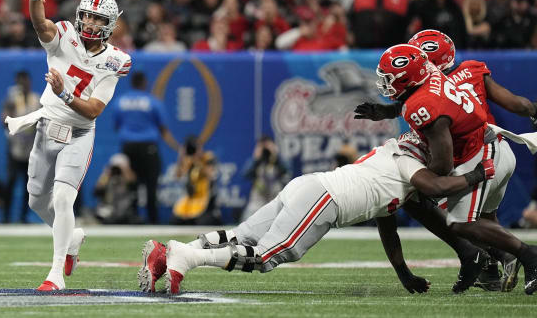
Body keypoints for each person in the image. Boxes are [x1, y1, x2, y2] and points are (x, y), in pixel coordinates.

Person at [138, 131, 495, 294]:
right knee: (267, 256)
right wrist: (477, 175)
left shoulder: (393, 157)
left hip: (309, 185)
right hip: (325, 199)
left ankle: (164, 254)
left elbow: (388, 226)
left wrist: (403, 272)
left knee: (241, 235)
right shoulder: (408, 163)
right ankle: (186, 257)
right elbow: (435, 187)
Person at [356, 29, 537, 291]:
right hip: (490, 145)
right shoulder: (457, 76)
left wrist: (420, 174)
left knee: (456, 219)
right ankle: (490, 268)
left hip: (481, 154)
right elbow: (517, 104)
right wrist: (533, 110)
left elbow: (442, 163)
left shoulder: (427, 99)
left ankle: (525, 256)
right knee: (483, 220)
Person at [4, 0, 130, 291]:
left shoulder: (117, 60)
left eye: (98, 19)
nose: (90, 23)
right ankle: (71, 237)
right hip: (47, 128)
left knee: (62, 198)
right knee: (36, 201)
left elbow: (93, 111)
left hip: (79, 134)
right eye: (87, 16)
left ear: (110, 25)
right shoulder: (63, 36)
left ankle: (56, 274)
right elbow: (39, 23)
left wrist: (64, 92)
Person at [113, 71, 168, 224]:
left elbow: (117, 125)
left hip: (128, 146)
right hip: (148, 146)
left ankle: (133, 217)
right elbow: (162, 126)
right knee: (151, 183)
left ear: (132, 83)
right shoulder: (153, 102)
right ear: (144, 83)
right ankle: (153, 219)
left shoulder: (120, 101)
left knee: (131, 183)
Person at [1, 70, 40, 223]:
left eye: (25, 81)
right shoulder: (11, 99)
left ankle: (23, 216)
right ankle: (6, 215)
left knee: (28, 183)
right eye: (20, 82)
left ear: (29, 82)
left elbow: (43, 119)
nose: (23, 85)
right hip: (15, 145)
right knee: (10, 180)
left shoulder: (36, 98)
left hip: (31, 145)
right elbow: (4, 120)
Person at [170, 137, 221, 226]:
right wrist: (181, 156)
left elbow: (212, 175)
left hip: (206, 201)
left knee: (201, 222)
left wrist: (197, 160)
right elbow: (177, 176)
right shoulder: (188, 160)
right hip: (191, 201)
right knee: (175, 221)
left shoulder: (207, 157)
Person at [241, 136, 290, 221]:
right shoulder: (257, 162)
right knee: (246, 223)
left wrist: (275, 156)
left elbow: (287, 172)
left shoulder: (279, 161)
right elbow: (245, 175)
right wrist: (256, 159)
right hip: (257, 203)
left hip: (275, 201)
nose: (265, 151)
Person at [92, 153, 140, 224]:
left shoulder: (128, 177)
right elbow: (96, 192)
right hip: (109, 210)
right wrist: (106, 174)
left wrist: (125, 170)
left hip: (125, 211)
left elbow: (134, 185)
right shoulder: (107, 178)